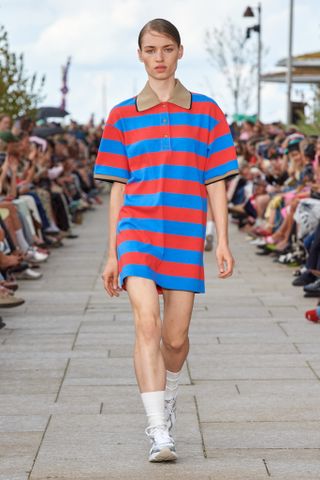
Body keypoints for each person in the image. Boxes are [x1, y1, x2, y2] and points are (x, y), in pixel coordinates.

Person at [94, 18, 239, 463]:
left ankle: (169, 395)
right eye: (151, 50)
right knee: (147, 326)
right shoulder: (122, 115)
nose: (159, 58)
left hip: (184, 235)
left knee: (175, 339)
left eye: (167, 49)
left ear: (180, 52)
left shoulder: (207, 111)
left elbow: (216, 182)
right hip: (137, 233)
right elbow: (118, 187)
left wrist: (221, 240)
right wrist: (111, 253)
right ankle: (159, 429)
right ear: (139, 55)